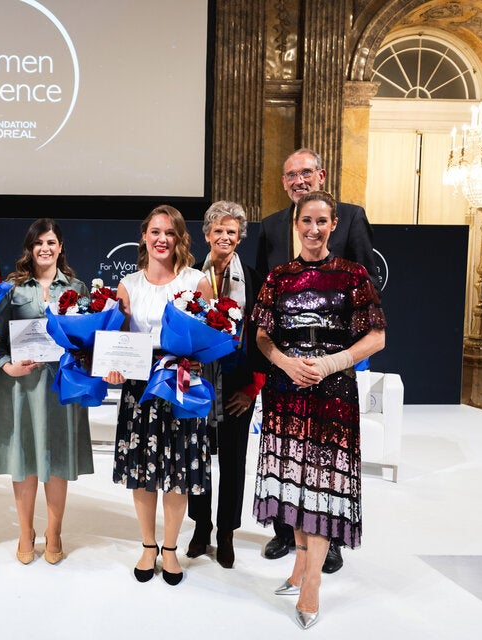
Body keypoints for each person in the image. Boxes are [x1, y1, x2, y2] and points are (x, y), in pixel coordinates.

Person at [252, 190, 386, 629]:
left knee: (323, 485)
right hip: (285, 389)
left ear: (334, 225)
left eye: (321, 221)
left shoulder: (353, 275)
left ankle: (312, 583)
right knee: (294, 480)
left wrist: (330, 363)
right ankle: (298, 567)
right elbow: (262, 335)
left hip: (333, 392)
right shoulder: (278, 277)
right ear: (296, 224)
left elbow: (377, 337)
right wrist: (284, 362)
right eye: (306, 221)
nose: (313, 229)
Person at [105, 205, 214, 586]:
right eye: (155, 232)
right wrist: (113, 366)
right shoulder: (128, 285)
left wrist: (199, 359)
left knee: (178, 472)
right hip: (140, 389)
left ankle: (170, 549)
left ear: (179, 238)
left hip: (181, 385)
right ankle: (148, 545)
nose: (162, 239)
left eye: (169, 232)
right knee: (142, 471)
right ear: (144, 236)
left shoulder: (197, 281)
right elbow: (117, 340)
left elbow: (209, 334)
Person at [0, 218, 93, 565]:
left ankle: (55, 531)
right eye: (38, 243)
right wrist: (7, 365)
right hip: (20, 386)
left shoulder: (77, 287)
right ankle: (25, 531)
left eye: (51, 242)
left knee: (57, 458)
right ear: (30, 248)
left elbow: (86, 340)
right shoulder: (12, 288)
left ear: (60, 247)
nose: (44, 248)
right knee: (24, 460)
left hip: (61, 386)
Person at [184, 201, 266, 568]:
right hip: (197, 381)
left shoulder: (254, 279)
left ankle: (227, 533)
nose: (225, 237)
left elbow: (264, 336)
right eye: (218, 230)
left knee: (233, 460)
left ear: (240, 237)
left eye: (231, 232)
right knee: (197, 456)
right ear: (206, 235)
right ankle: (201, 527)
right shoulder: (188, 277)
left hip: (236, 385)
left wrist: (252, 388)